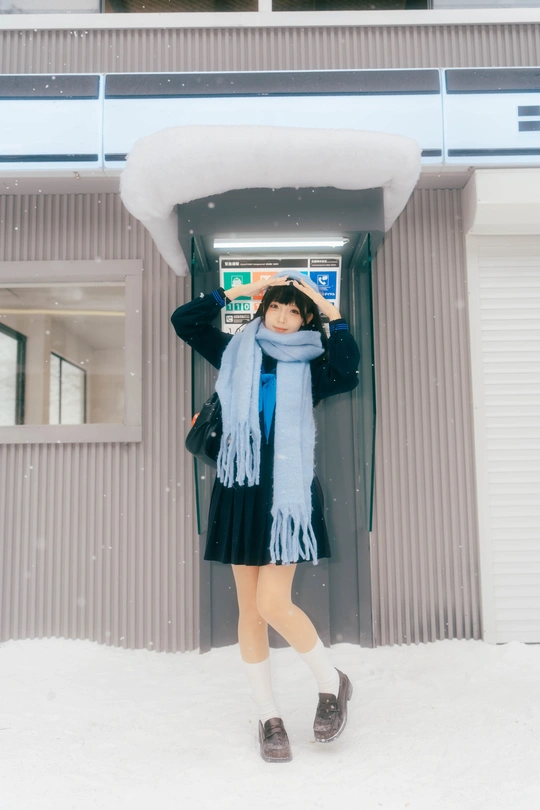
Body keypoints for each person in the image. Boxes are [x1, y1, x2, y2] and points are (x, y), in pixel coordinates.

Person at [171, 269, 360, 763]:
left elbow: (349, 368)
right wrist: (235, 291)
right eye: (275, 306)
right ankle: (268, 716)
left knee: (273, 603)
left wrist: (330, 310)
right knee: (251, 612)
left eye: (294, 311)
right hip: (239, 490)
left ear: (306, 320)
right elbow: (185, 320)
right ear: (262, 308)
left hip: (286, 497)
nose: (282, 317)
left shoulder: (313, 364)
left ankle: (331, 683)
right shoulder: (237, 350)